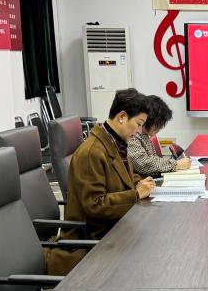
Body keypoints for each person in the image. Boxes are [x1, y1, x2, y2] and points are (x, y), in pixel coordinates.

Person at [45, 88, 156, 276]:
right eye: (138, 124)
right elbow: (95, 204)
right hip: (90, 243)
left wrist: (140, 183)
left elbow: (124, 176)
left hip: (112, 229)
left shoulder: (115, 142)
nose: (139, 131)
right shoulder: (92, 152)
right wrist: (136, 194)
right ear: (122, 117)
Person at [128, 95, 191, 177]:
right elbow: (143, 164)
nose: (161, 127)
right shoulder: (132, 135)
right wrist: (176, 164)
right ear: (149, 119)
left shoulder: (145, 135)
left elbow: (153, 161)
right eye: (159, 122)